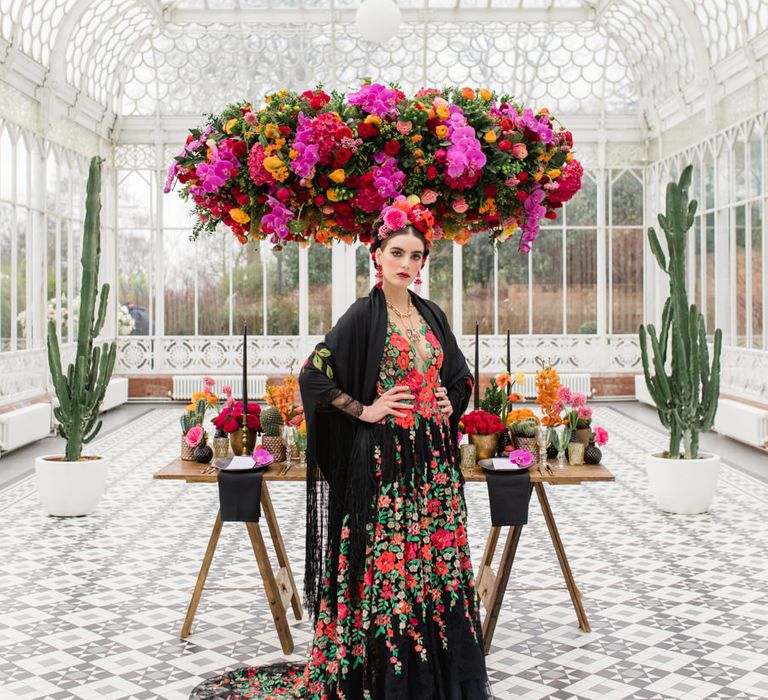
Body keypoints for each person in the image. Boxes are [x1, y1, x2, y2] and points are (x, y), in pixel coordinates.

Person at [192, 200, 493, 699]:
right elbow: (312, 375)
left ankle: (435, 681)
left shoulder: (431, 314)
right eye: (396, 252)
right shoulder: (364, 314)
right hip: (386, 463)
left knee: (435, 561)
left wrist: (449, 398)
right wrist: (366, 410)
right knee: (390, 564)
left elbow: (459, 376)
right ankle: (388, 681)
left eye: (416, 256)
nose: (406, 263)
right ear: (376, 255)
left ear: (423, 262)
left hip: (434, 465)